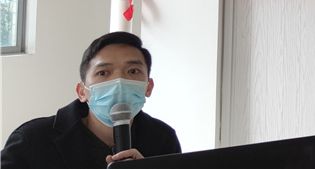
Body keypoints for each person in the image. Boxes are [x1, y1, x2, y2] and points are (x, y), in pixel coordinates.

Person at [1, 31, 181, 168]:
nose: (118, 81)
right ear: (82, 92)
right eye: (103, 73)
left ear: (148, 87)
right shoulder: (31, 140)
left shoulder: (163, 139)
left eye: (133, 71)